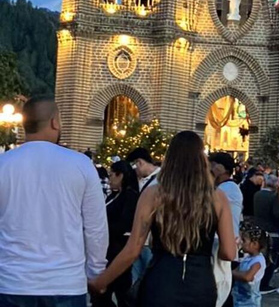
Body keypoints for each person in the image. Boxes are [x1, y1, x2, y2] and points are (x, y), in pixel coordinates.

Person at [89, 131, 237, 307]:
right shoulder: (217, 197)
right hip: (200, 283)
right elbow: (229, 252)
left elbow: (133, 249)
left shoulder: (153, 194)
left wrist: (101, 282)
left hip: (161, 279)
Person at [0, 96, 108, 307]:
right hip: (65, 284)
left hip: (12, 282)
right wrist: (96, 272)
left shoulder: (4, 164)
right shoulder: (81, 165)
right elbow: (95, 228)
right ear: (54, 122)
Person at [92, 161, 140, 307]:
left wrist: (103, 228)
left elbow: (125, 223)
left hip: (118, 248)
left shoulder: (130, 196)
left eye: (112, 175)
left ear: (121, 176)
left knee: (119, 291)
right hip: (108, 248)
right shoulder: (114, 196)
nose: (110, 178)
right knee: (104, 295)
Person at [210, 152, 244, 307]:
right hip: (220, 245)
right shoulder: (221, 188)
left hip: (225, 244)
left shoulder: (228, 188)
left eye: (213, 164)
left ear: (222, 168)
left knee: (222, 292)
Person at [126, 147, 161, 283]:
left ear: (140, 162)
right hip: (140, 240)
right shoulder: (142, 181)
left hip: (150, 241)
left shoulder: (159, 181)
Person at [252, 173, 279, 293]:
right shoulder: (273, 197)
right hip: (271, 230)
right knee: (271, 258)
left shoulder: (257, 195)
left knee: (259, 255)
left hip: (258, 227)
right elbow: (277, 214)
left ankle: (257, 281)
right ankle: (265, 283)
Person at [233, 222, 268, 307]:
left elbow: (248, 277)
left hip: (250, 303)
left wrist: (231, 273)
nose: (241, 242)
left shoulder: (258, 261)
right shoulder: (247, 258)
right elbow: (237, 270)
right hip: (239, 300)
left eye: (244, 240)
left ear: (255, 244)